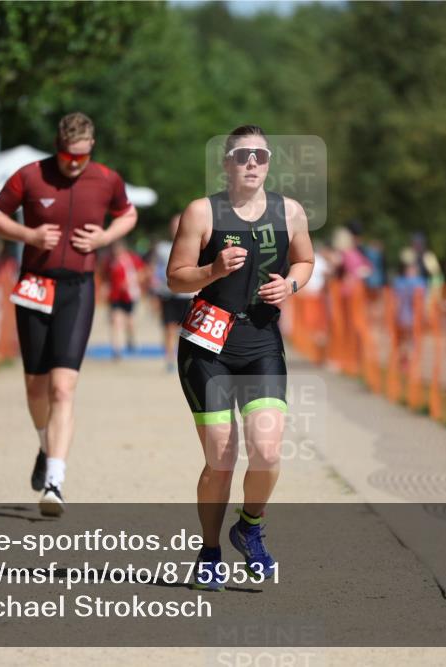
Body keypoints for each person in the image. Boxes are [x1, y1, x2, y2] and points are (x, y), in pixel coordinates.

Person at [167, 125, 314, 591]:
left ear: (269, 164)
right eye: (242, 155)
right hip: (207, 344)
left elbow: (306, 261)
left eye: (261, 156)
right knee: (222, 458)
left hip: (260, 341)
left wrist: (289, 285)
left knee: (268, 452)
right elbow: (175, 278)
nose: (252, 163)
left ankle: (249, 526)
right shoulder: (201, 212)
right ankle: (209, 550)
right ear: (227, 163)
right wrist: (211, 270)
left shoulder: (289, 212)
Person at [0, 112, 137, 516]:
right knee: (35, 387)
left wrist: (105, 237)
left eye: (82, 156)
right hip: (35, 284)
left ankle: (55, 480)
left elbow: (129, 214)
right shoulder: (30, 175)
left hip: (78, 289)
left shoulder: (106, 179)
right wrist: (28, 235)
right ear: (57, 147)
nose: (74, 164)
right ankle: (44, 445)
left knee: (63, 388)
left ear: (92, 150)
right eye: (68, 156)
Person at [151, 215, 194, 372]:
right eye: (174, 225)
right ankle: (169, 359)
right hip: (168, 293)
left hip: (188, 295)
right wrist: (154, 290)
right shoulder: (162, 247)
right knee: (169, 327)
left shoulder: (195, 245)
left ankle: (187, 360)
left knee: (188, 330)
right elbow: (155, 269)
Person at [101, 239, 145, 359]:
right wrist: (105, 288)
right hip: (115, 296)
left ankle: (131, 340)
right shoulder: (109, 261)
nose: (115, 251)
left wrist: (131, 282)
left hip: (129, 295)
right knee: (115, 321)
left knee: (130, 321)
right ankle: (117, 350)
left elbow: (142, 273)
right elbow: (105, 277)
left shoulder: (132, 259)